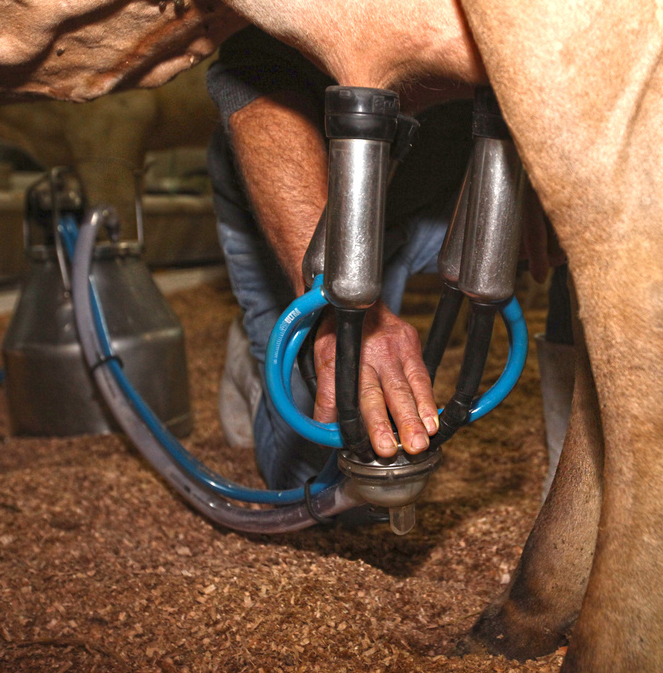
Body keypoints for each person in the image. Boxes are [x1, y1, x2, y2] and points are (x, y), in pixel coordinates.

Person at [206, 27, 570, 496]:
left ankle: (580, 460)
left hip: (445, 179)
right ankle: (261, 355)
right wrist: (332, 310)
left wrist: (535, 170)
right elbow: (251, 77)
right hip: (303, 179)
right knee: (332, 481)